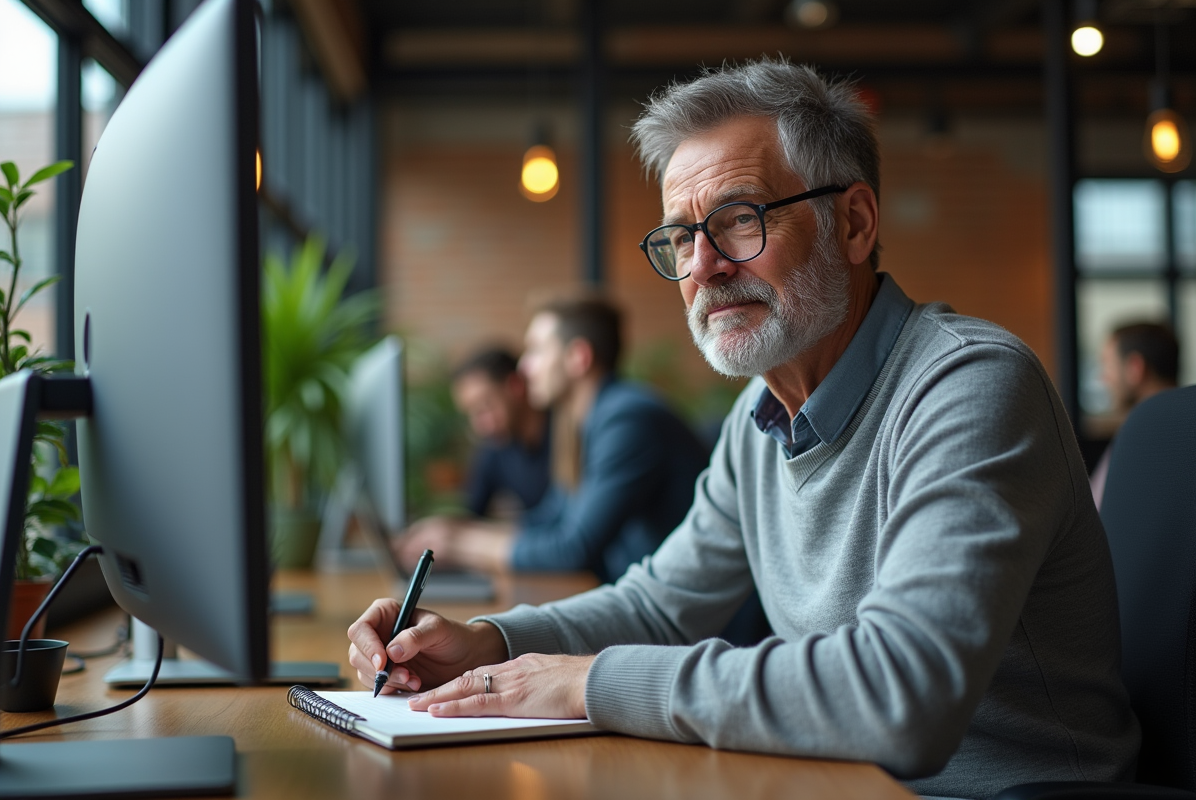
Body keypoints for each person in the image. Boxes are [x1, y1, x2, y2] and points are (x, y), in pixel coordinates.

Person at [351, 60, 1139, 798]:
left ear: (855, 223)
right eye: (681, 237)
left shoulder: (969, 387)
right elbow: (661, 606)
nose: (701, 267)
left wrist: (587, 681)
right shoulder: (759, 418)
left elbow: (904, 697)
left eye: (738, 220)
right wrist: (489, 642)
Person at [396, 296, 711, 584]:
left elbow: (573, 549)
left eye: (535, 350)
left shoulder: (627, 421)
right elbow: (551, 517)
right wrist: (458, 530)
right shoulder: (584, 422)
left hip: (696, 620)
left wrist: (458, 545)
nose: (524, 367)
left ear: (578, 357)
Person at [451, 347, 551, 518]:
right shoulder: (494, 450)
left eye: (484, 407)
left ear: (515, 385)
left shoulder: (568, 436)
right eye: (471, 413)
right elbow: (471, 514)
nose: (479, 425)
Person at [1090, 321, 1180, 508]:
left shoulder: (1138, 437)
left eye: (1107, 365)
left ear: (1135, 368)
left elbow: (1095, 513)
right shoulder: (1182, 430)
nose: (1103, 378)